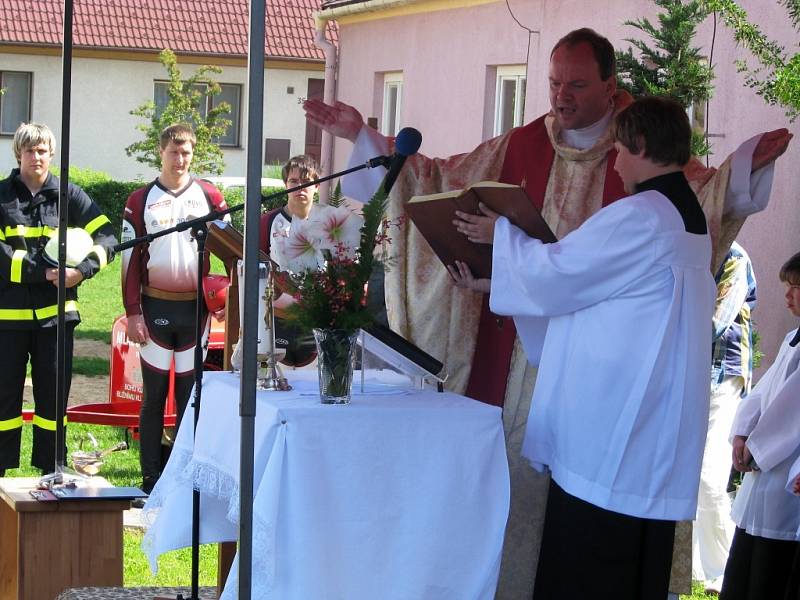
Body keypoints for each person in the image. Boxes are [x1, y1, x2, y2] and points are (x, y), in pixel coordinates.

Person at [305, 27, 791, 597]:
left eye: (577, 85)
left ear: (612, 88)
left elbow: (567, 266)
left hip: (600, 413)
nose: (561, 97)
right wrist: (363, 136)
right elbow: (432, 177)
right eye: (554, 82)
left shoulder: (646, 197)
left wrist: (739, 170)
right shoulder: (527, 149)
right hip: (558, 377)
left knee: (587, 556)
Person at [451, 95, 715, 599]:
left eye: (618, 149)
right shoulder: (686, 214)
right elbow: (596, 290)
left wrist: (499, 235)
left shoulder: (642, 215)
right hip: (652, 428)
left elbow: (559, 271)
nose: (615, 161)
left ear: (639, 144)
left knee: (591, 567)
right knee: (635, 567)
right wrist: (495, 284)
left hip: (611, 429)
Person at [0, 122, 117, 476]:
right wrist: (39, 271)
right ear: (18, 153)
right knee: (4, 399)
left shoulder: (70, 195)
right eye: (30, 150)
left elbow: (109, 237)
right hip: (9, 316)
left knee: (53, 400)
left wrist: (81, 271)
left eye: (42, 150)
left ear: (52, 153)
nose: (37, 156)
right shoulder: (3, 195)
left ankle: (52, 469)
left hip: (57, 317)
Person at [121, 123, 228, 495]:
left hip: (194, 311)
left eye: (186, 153)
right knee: (153, 398)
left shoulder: (211, 195)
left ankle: (185, 479)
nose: (179, 159)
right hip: (154, 309)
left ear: (192, 154)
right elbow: (130, 261)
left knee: (188, 398)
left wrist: (227, 296)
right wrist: (133, 311)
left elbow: (232, 251)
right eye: (173, 152)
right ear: (160, 152)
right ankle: (149, 480)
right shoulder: (140, 199)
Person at [719, 252, 800, 600]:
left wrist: (756, 448)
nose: (787, 295)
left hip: (786, 473)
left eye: (796, 287)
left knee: (771, 572)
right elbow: (766, 391)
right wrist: (742, 431)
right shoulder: (793, 337)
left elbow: (791, 409)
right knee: (746, 563)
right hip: (766, 471)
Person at [693, 241, 757, 594]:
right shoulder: (700, 249)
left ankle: (723, 569)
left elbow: (716, 320)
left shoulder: (734, 257)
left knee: (709, 474)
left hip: (723, 374)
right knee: (696, 473)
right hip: (700, 374)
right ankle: (699, 566)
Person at [258, 154, 319, 366]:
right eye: (294, 181)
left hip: (316, 321)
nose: (300, 187)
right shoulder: (267, 223)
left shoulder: (330, 222)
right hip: (275, 321)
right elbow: (253, 273)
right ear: (285, 185)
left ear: (316, 185)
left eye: (306, 182)